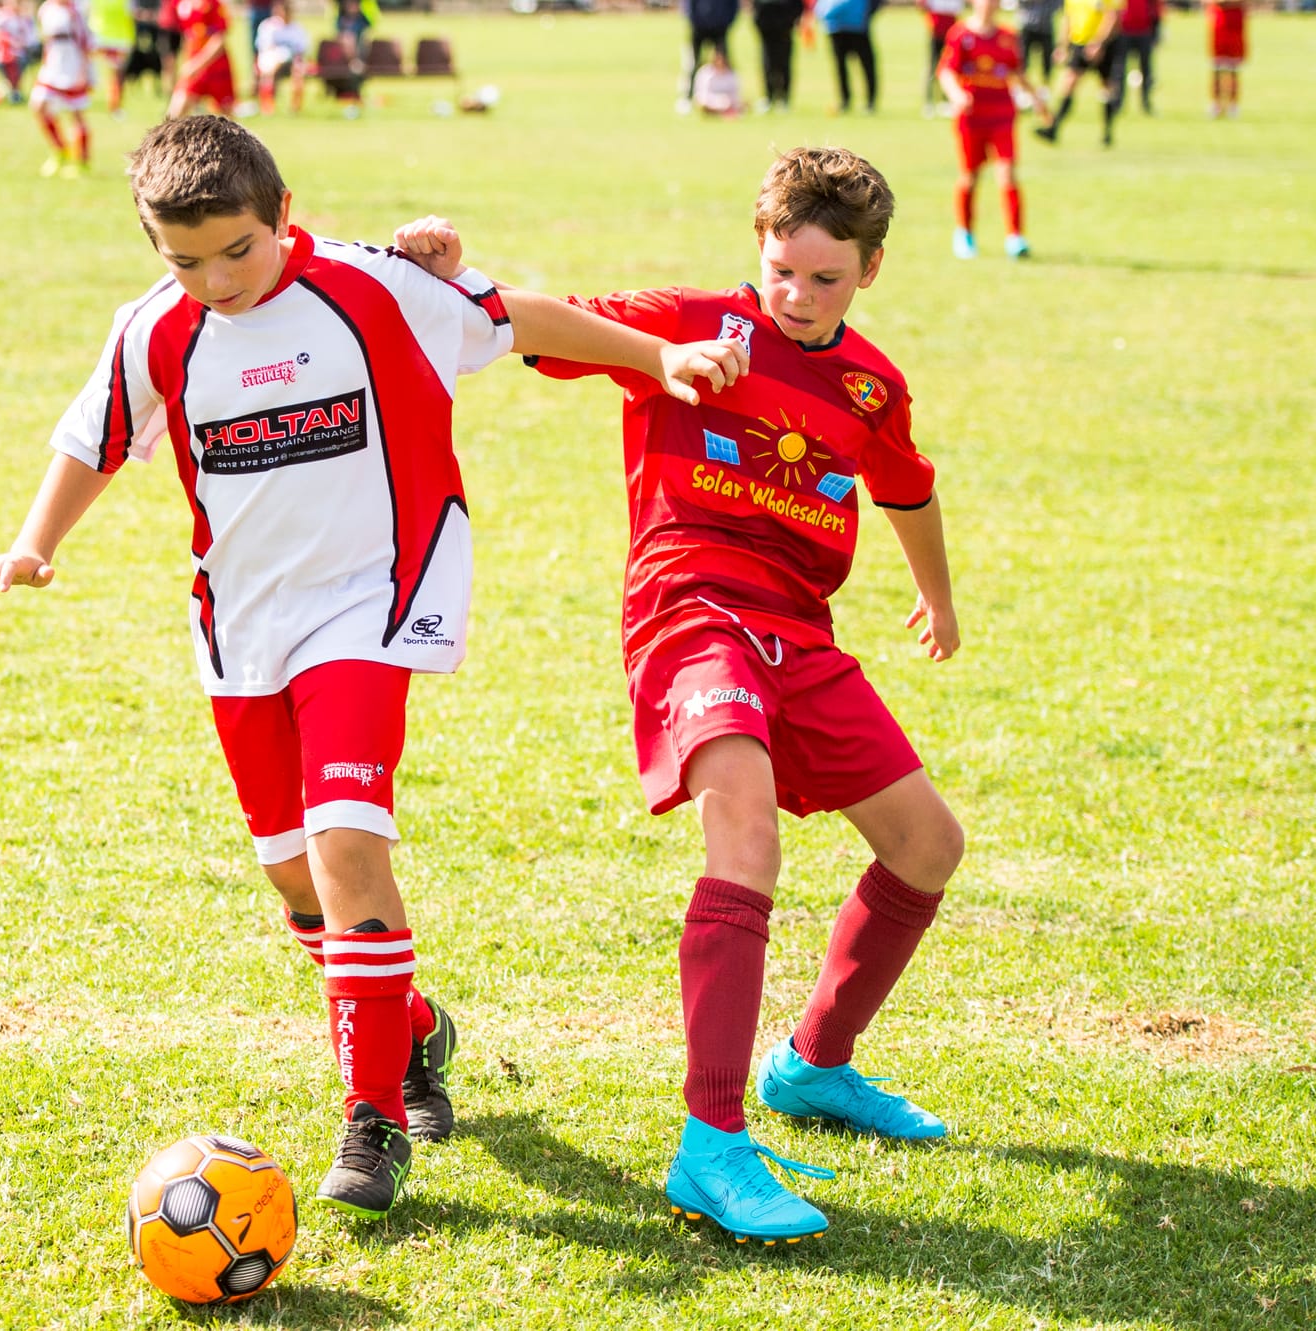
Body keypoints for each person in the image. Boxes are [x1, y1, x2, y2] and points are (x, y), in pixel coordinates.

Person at [0, 116, 746, 1220]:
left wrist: (660, 355)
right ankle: (413, 1027)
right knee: (294, 880)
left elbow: (517, 320)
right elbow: (93, 436)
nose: (217, 279)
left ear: (283, 216)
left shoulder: (375, 287)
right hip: (241, 628)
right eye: (185, 260)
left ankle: (370, 1115)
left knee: (345, 848)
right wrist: (34, 544)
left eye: (238, 249)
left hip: (374, 606)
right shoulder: (152, 332)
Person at [465, 144, 965, 1245]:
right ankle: (712, 1143)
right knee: (741, 829)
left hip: (801, 628)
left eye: (823, 279)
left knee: (926, 845)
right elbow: (527, 319)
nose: (793, 295)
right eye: (779, 269)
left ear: (868, 272)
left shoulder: (869, 383)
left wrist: (936, 598)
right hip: (688, 608)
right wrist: (655, 352)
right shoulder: (691, 320)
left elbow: (907, 487)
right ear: (758, 250)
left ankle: (813, 1066)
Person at [939, 0, 1049, 259]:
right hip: (972, 117)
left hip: (1002, 115)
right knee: (970, 176)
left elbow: (1017, 72)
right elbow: (946, 72)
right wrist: (956, 96)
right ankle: (964, 233)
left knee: (1007, 174)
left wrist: (1038, 100)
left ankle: (1015, 236)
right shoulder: (961, 34)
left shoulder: (1008, 36)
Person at [1032, 0, 1122, 146]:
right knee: (1069, 84)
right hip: (1079, 44)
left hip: (1103, 45)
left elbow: (1112, 16)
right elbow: (1068, 19)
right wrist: (1062, 46)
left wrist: (1099, 43)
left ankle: (1107, 133)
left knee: (1106, 88)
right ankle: (1054, 128)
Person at [31, 0, 91, 177]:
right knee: (38, 105)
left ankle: (82, 161)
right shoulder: (46, 9)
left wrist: (84, 70)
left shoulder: (75, 11)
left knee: (76, 114)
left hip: (72, 64)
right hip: (52, 65)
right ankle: (60, 150)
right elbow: (46, 39)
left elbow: (85, 41)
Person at [168, 0, 234, 116]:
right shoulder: (180, 3)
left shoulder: (214, 4)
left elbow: (219, 39)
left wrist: (197, 64)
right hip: (194, 69)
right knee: (174, 113)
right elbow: (187, 36)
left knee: (227, 120)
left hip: (216, 67)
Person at [678, 0, 737, 114]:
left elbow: (733, 5)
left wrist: (726, 21)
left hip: (720, 27)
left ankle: (730, 97)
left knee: (724, 62)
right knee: (693, 64)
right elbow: (689, 5)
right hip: (699, 27)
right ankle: (689, 97)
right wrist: (694, 21)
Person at [818, 0, 875, 114]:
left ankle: (870, 102)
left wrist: (867, 14)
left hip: (858, 25)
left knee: (867, 65)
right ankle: (845, 101)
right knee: (840, 67)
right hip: (835, 26)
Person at [252, 0, 305, 114]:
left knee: (298, 73)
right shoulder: (267, 26)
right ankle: (267, 107)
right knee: (270, 72)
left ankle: (294, 109)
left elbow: (300, 51)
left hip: (289, 62)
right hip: (270, 61)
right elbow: (264, 49)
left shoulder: (296, 28)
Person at [751, 0, 803, 112]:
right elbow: (755, 7)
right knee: (768, 65)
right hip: (766, 32)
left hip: (785, 31)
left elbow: (797, 6)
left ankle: (784, 98)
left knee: (784, 65)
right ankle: (769, 97)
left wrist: (791, 21)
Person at [0, 0, 34, 104]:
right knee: (3, 64)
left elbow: (31, 40)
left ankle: (12, 90)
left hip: (20, 55)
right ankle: (12, 91)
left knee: (19, 63)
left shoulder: (26, 19)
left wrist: (19, 44)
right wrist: (2, 41)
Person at [89, 0, 133, 115]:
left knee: (115, 76)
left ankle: (114, 105)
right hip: (110, 38)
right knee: (115, 75)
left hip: (110, 38)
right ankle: (114, 106)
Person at [921, 0, 963, 114]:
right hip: (936, 31)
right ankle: (929, 101)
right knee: (933, 66)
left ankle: (946, 101)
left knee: (950, 68)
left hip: (952, 33)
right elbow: (922, 5)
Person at [1117, 0, 1155, 114]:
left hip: (1144, 29)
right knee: (1120, 69)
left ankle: (1146, 103)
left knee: (1146, 69)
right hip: (1124, 29)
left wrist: (1156, 27)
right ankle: (1118, 103)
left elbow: (1154, 6)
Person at [1208, 0, 1243, 119]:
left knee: (1234, 68)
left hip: (1235, 23)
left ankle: (1233, 105)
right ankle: (1216, 105)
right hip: (1219, 22)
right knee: (1217, 68)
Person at [693, 45, 744, 117]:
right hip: (709, 101)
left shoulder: (731, 73)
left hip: (728, 101)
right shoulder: (705, 72)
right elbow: (702, 93)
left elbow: (735, 93)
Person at [1016, 0, 1058, 81]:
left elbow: (1057, 6)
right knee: (1021, 58)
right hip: (1027, 26)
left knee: (1047, 59)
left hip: (1046, 28)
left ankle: (1045, 84)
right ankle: (1022, 83)